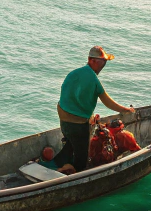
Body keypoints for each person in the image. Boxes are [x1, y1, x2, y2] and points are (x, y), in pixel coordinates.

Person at [53, 45, 133, 174]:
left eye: (106, 61)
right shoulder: (93, 79)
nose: (104, 64)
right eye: (103, 61)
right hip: (78, 125)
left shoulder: (74, 73)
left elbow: (67, 95)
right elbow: (108, 102)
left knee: (70, 144)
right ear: (92, 60)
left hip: (64, 120)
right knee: (81, 160)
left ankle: (57, 163)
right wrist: (125, 110)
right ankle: (67, 173)